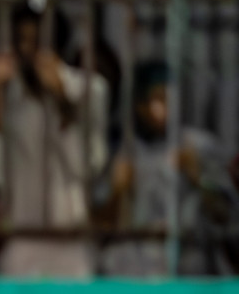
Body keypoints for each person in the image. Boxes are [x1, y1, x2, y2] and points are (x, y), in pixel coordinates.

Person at [0, 3, 108, 277]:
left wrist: (61, 99)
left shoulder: (90, 90)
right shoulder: (3, 95)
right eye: (21, 42)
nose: (28, 51)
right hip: (22, 238)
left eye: (37, 43)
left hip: (72, 239)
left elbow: (87, 167)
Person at [101, 60, 239, 275]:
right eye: (155, 99)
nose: (162, 108)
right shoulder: (122, 153)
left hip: (189, 272)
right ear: (138, 104)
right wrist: (118, 192)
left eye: (168, 98)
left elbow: (227, 217)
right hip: (134, 273)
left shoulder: (198, 146)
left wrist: (199, 178)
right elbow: (98, 225)